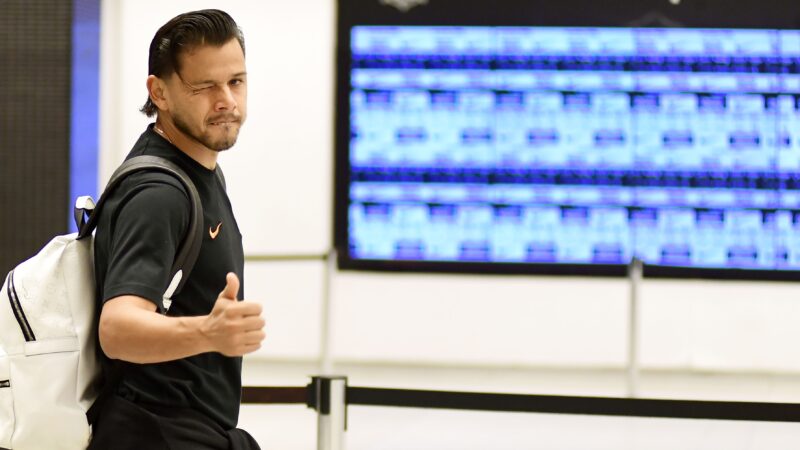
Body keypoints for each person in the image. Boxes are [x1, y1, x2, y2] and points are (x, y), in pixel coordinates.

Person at [88, 9, 265, 450]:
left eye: (236, 81)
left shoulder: (198, 172)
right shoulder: (160, 193)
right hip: (156, 433)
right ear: (159, 93)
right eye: (205, 86)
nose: (227, 100)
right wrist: (209, 332)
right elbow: (117, 328)